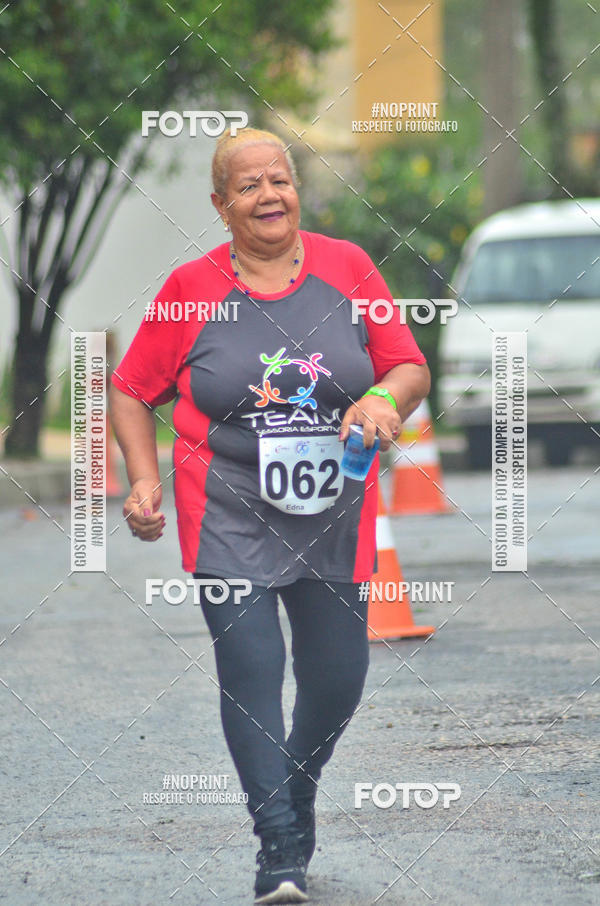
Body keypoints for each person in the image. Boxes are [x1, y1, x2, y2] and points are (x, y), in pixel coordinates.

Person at [109, 126, 430, 904]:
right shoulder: (190, 287)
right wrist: (142, 480)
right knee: (252, 672)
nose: (268, 196)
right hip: (227, 507)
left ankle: (296, 786)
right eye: (247, 186)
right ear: (221, 205)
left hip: (334, 508)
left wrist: (384, 400)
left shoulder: (348, 267)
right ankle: (278, 846)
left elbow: (407, 364)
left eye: (278, 180)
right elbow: (130, 388)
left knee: (337, 679)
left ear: (296, 190)